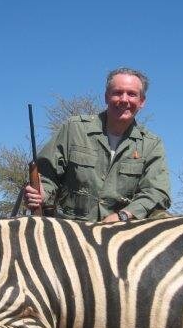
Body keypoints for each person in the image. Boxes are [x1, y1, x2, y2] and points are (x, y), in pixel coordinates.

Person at [23, 67, 171, 222]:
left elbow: (156, 192)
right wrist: (41, 193)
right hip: (71, 229)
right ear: (106, 97)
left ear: (142, 102)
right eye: (117, 93)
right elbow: (46, 175)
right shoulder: (74, 128)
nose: (124, 99)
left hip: (122, 232)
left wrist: (124, 215)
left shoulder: (151, 145)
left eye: (132, 94)